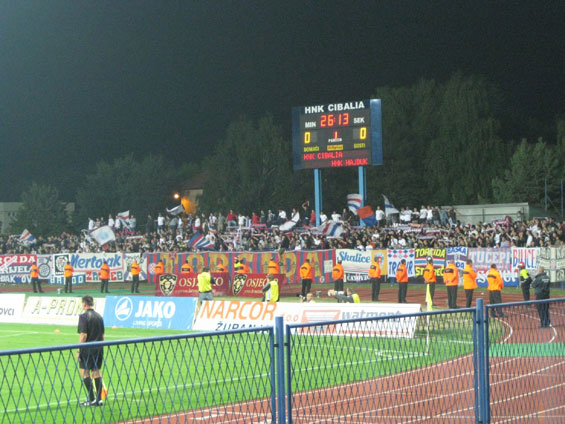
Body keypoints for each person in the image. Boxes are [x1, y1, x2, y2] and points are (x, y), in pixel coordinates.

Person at [77, 295, 105, 407]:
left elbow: (83, 335)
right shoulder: (99, 316)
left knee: (84, 372)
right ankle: (99, 399)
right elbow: (103, 335)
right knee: (96, 371)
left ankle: (91, 399)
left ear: (84, 304)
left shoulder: (84, 316)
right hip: (99, 348)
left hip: (88, 349)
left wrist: (79, 350)